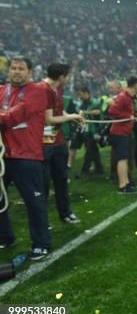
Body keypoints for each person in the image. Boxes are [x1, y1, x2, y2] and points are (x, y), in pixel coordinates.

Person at [0, 57, 53, 260]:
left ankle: (41, 244)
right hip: (4, 156)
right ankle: (5, 237)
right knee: (0, 200)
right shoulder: (3, 91)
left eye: (21, 69)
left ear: (29, 72)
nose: (16, 72)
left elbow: (13, 116)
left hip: (27, 156)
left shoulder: (38, 91)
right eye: (13, 68)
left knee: (33, 202)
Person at [40, 63, 84, 224]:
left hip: (58, 141)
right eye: (68, 75)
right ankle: (42, 219)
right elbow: (48, 119)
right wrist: (72, 117)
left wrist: (71, 115)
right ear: (61, 77)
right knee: (43, 183)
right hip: (42, 143)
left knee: (62, 178)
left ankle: (65, 213)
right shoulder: (42, 90)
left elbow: (58, 112)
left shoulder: (58, 88)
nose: (69, 78)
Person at [108, 76, 137, 194]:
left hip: (125, 132)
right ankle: (122, 186)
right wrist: (128, 117)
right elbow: (112, 111)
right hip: (119, 133)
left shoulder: (128, 97)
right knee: (122, 159)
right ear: (136, 85)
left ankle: (127, 183)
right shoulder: (123, 96)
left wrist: (136, 117)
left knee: (125, 159)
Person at [72, 86, 104, 177]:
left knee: (89, 151)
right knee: (93, 150)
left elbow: (98, 112)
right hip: (84, 129)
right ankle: (99, 168)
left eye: (80, 94)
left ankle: (84, 171)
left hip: (93, 130)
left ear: (86, 93)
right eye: (78, 95)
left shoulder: (95, 102)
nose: (79, 96)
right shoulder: (81, 103)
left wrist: (85, 112)